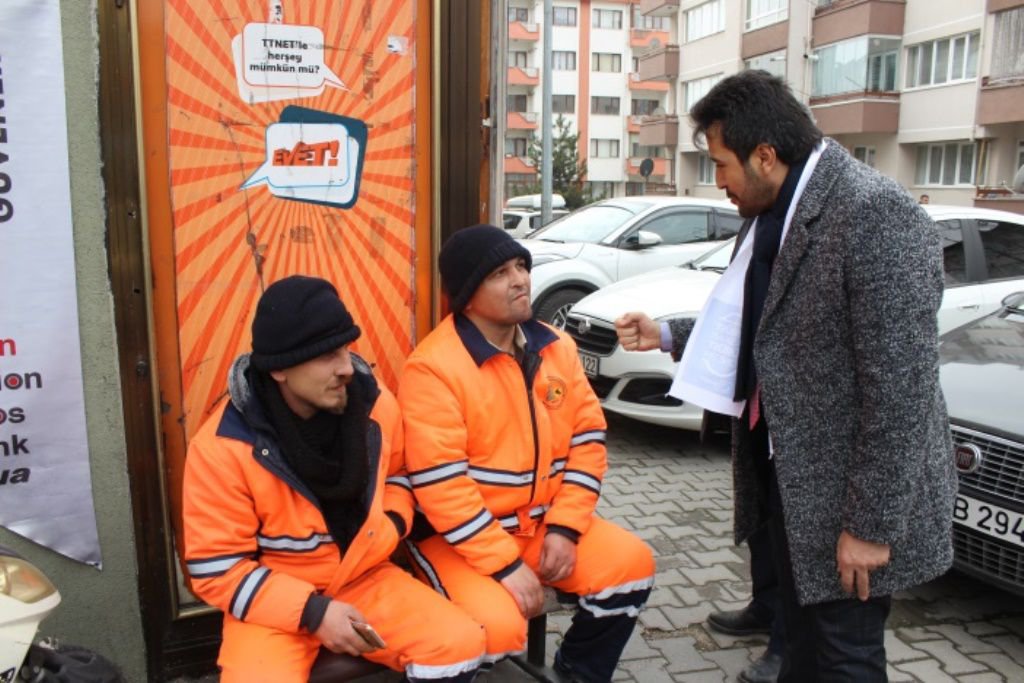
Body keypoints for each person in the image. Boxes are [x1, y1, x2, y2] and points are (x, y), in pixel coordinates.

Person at [615, 70, 956, 681]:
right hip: (796, 480)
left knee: (844, 655)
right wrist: (669, 334)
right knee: (798, 648)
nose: (716, 180)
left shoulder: (876, 216)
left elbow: (900, 394)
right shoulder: (777, 206)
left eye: (720, 163)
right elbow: (765, 324)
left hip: (850, 499)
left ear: (765, 156)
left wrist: (869, 527)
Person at [181, 275, 485, 683]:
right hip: (276, 599)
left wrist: (392, 524)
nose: (347, 367)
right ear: (279, 370)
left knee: (459, 644)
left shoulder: (375, 405)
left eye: (346, 347)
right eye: (326, 355)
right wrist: (313, 613)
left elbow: (400, 475)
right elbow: (216, 568)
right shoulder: (223, 445)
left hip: (366, 575)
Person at [397, 225, 656, 683]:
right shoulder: (433, 368)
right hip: (460, 543)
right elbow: (442, 488)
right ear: (466, 297)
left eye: (521, 266)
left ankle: (577, 673)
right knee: (497, 628)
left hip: (541, 526)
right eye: (500, 272)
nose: (520, 279)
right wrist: (505, 564)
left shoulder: (557, 346)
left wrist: (565, 527)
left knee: (632, 565)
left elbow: (588, 440)